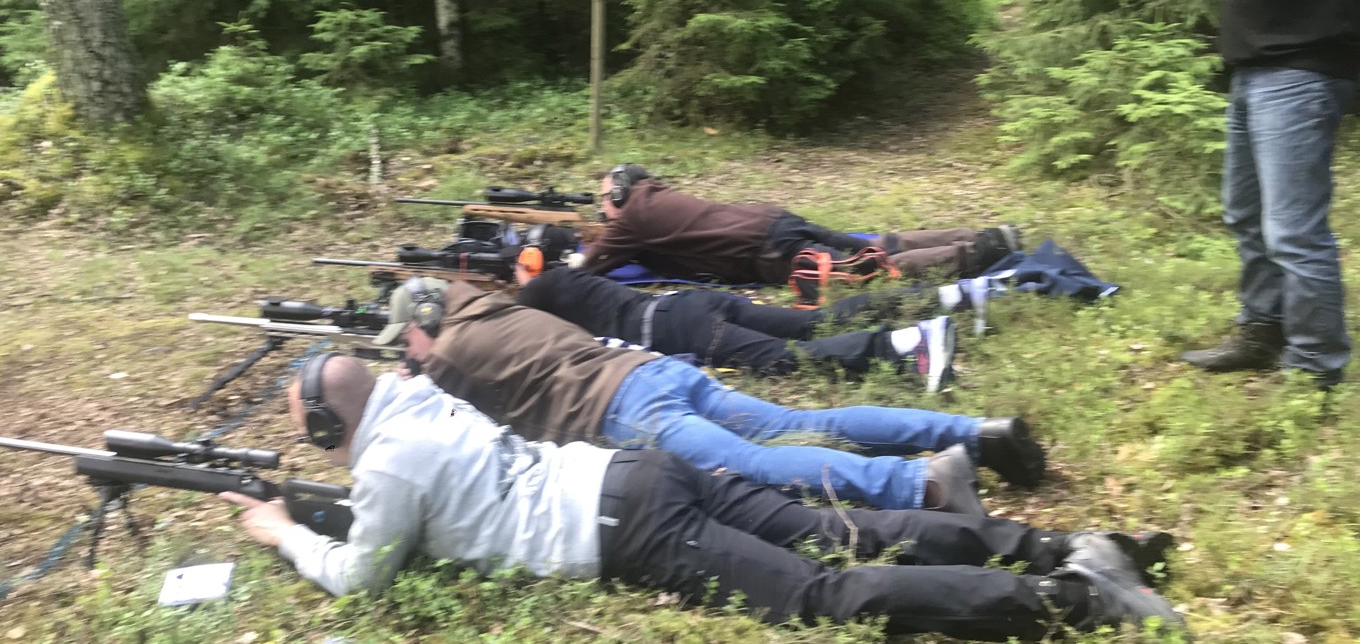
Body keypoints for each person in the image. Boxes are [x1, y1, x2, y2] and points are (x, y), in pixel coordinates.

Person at [220, 354, 1186, 641]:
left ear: (327, 422)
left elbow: (365, 577)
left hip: (623, 525)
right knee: (839, 529)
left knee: (822, 593)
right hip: (632, 469)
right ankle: (1063, 543)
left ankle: (1072, 599)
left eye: (311, 428)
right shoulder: (416, 398)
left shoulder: (388, 463)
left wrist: (281, 531)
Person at [373, 276, 1048, 514]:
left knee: (753, 464)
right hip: (654, 371)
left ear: (426, 323)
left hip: (624, 410)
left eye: (407, 338)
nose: (407, 350)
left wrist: (415, 378)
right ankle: (973, 432)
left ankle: (922, 485)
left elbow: (448, 425)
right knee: (801, 420)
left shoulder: (449, 354)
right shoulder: (492, 306)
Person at [1182, 0, 1360, 387]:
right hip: (1260, 63)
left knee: (1293, 229)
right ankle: (1263, 330)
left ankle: (1315, 365)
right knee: (1247, 213)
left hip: (1302, 65)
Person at [577, 164, 1021, 303]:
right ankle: (977, 234)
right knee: (876, 244)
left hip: (767, 249)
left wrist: (570, 258)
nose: (603, 208)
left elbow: (588, 268)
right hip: (775, 220)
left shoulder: (632, 217)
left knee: (866, 270)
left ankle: (978, 252)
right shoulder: (655, 198)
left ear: (620, 192)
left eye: (604, 199)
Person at [514, 263, 961, 391]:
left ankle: (912, 342)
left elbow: (515, 328)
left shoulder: (537, 292)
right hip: (688, 303)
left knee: (788, 359)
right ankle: (944, 296)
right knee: (814, 323)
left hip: (679, 330)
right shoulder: (568, 277)